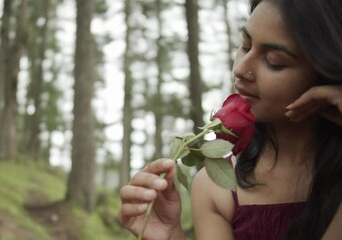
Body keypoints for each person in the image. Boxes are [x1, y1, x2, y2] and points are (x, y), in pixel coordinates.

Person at [118, 0, 342, 239]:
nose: (241, 69)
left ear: (325, 70)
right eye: (246, 46)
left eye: (274, 61)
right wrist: (170, 235)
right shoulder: (218, 187)